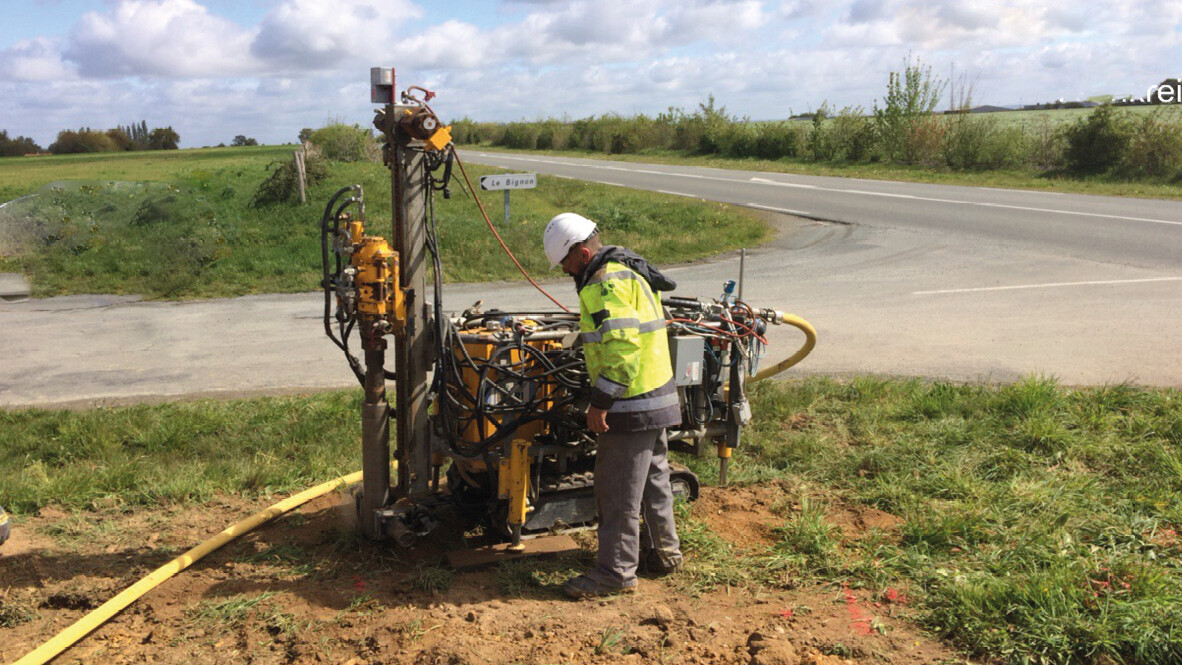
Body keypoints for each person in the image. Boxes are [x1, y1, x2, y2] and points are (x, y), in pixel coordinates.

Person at [542, 212, 684, 599]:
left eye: (566, 263)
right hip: (656, 394)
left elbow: (622, 349)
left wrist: (600, 402)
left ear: (583, 253)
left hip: (630, 401)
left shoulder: (605, 284)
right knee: (654, 480)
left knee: (617, 490)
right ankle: (664, 553)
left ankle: (615, 573)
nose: (565, 272)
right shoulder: (629, 271)